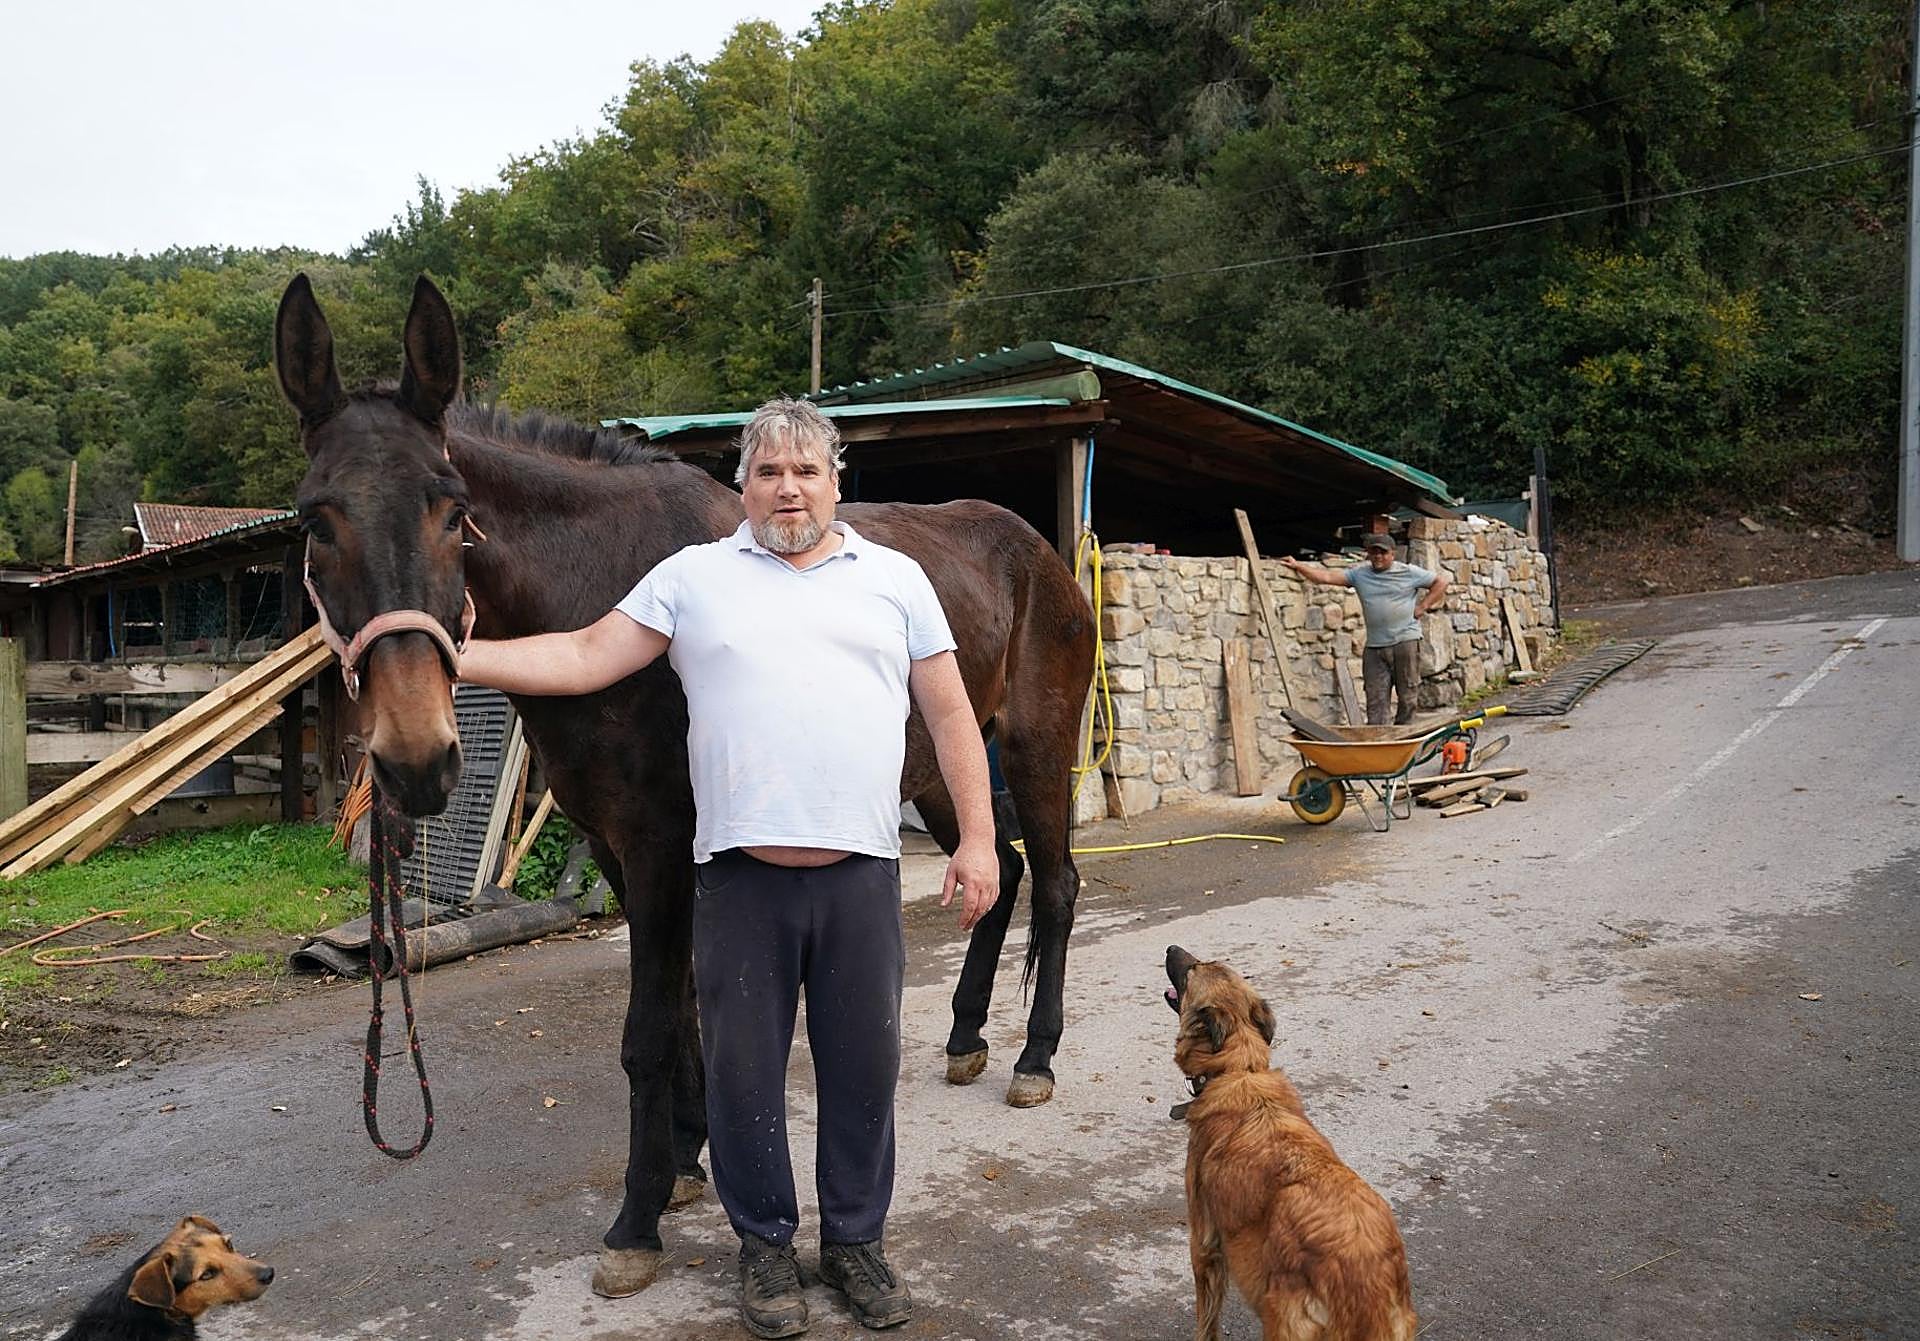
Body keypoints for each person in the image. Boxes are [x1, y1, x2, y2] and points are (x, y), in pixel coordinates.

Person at [458, 397, 997, 1338]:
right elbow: (584, 654)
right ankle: (765, 1248)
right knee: (743, 1075)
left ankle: (856, 1242)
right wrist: (453, 655)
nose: (788, 488)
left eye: (806, 471)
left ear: (835, 481)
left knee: (863, 1068)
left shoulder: (896, 578)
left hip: (861, 874)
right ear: (742, 485)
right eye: (768, 472)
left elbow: (951, 713)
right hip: (742, 879)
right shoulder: (694, 577)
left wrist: (979, 837)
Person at [1280, 532, 1450, 727]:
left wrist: (1422, 606)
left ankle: (1405, 735)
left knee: (1407, 694)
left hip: (1405, 641)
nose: (1378, 556)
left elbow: (1441, 582)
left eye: (1383, 552)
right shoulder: (1359, 574)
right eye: (1374, 552)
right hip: (1375, 646)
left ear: (1392, 554)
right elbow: (1326, 576)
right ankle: (1378, 737)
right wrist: (1298, 565)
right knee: (1375, 697)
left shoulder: (1408, 572)